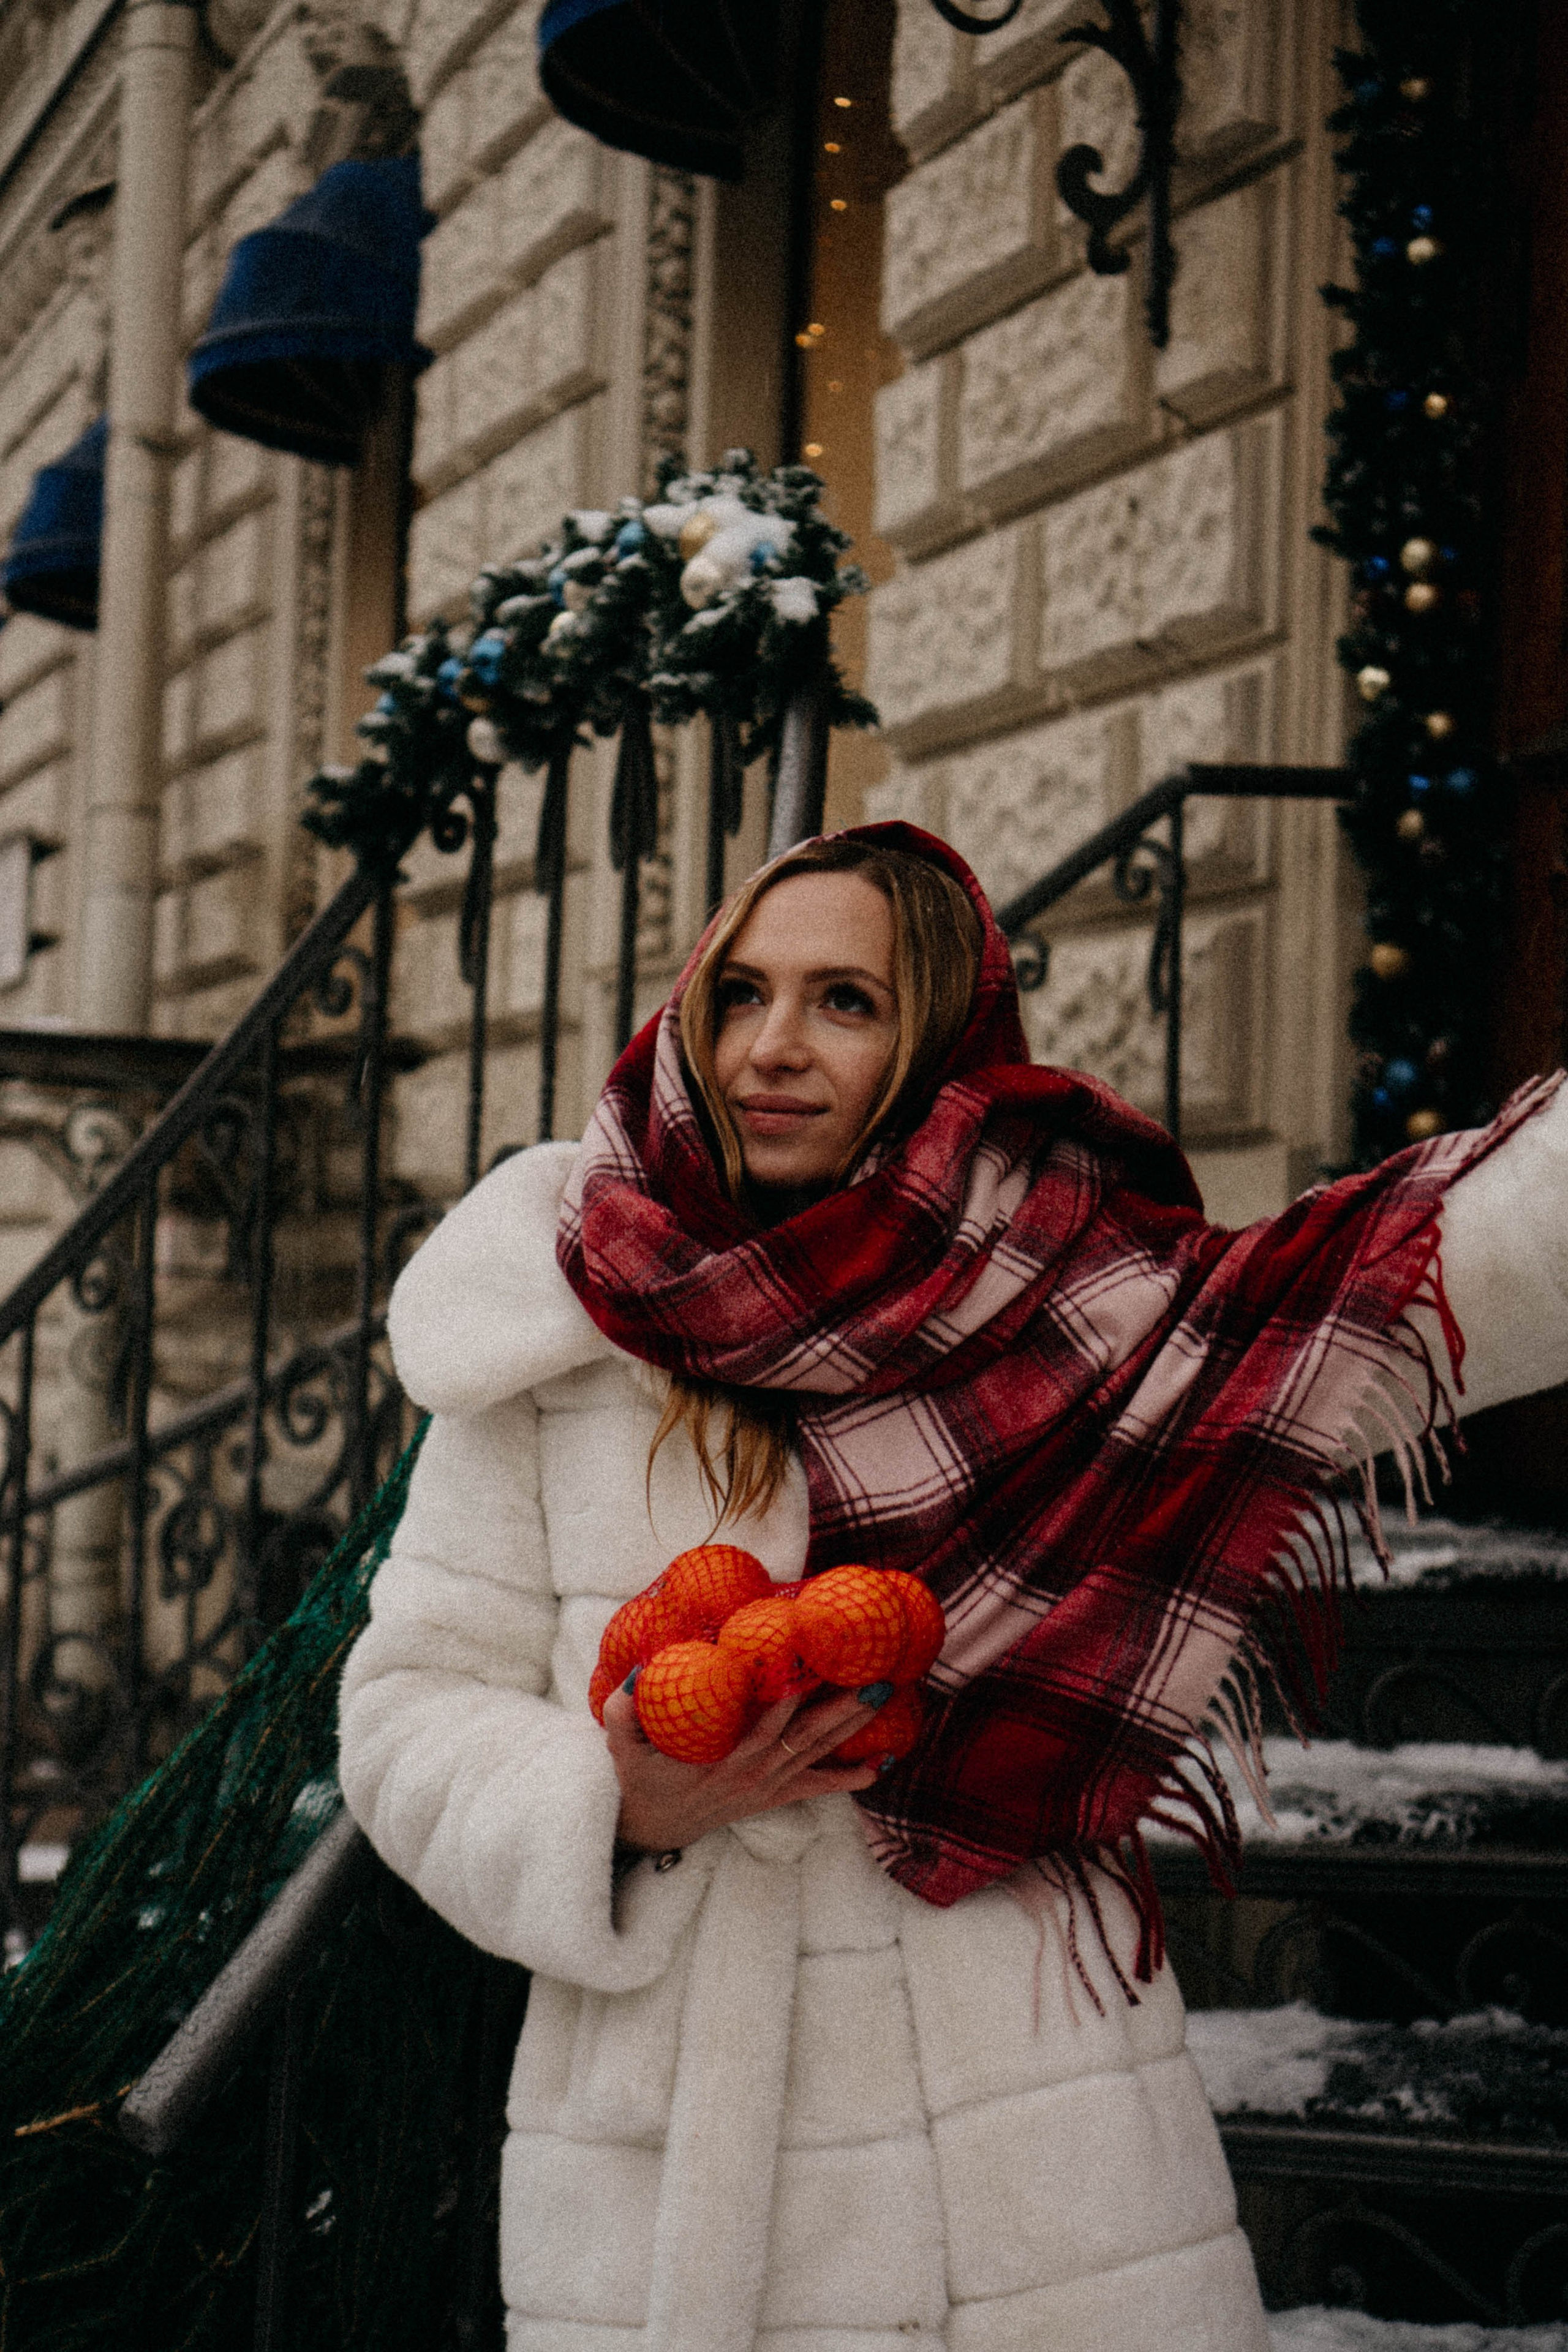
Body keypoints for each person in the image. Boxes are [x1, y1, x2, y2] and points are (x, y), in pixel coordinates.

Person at [338, 821, 1568, 2352]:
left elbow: (1422, 1285)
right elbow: (407, 1711)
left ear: (938, 1046)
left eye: (844, 1002)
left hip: (1031, 2141)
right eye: (741, 995)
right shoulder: (563, 1327)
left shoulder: (1073, 1293)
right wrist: (615, 1803)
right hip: (692, 2160)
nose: (772, 1048)